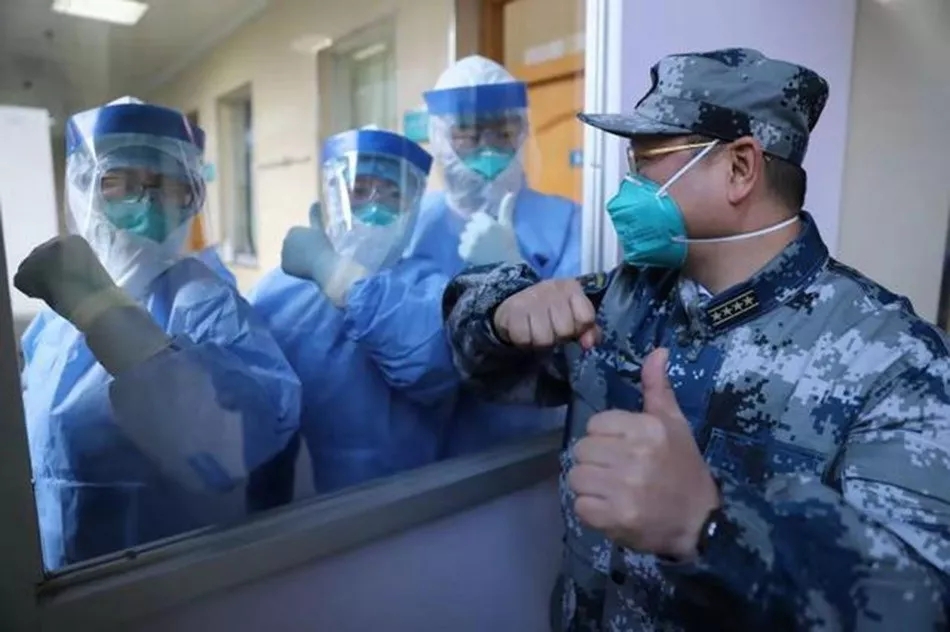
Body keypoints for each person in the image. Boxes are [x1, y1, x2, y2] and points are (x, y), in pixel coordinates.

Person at [441, 48, 950, 630]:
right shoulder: (628, 297)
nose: (628, 187)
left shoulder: (897, 365)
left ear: (740, 168)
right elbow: (483, 366)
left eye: (647, 161)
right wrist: (502, 309)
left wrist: (709, 524)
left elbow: (917, 605)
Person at [16, 97, 301, 570]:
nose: (147, 202)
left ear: (193, 195)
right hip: (57, 574)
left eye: (167, 185)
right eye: (120, 183)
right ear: (83, 187)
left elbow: (232, 448)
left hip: (166, 584)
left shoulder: (207, 305)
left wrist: (104, 314)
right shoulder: (53, 322)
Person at [248, 127, 452, 494]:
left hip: (415, 502)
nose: (375, 207)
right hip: (311, 510)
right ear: (332, 195)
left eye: (393, 194)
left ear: (413, 207)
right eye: (359, 190)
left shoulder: (427, 285)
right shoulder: (279, 292)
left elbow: (428, 368)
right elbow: (259, 424)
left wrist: (334, 273)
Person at [407, 54, 582, 457]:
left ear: (522, 131)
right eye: (468, 134)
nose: (488, 148)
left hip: (533, 448)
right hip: (431, 460)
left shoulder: (568, 222)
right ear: (439, 137)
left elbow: (578, 345)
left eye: (503, 131)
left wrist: (511, 270)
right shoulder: (413, 229)